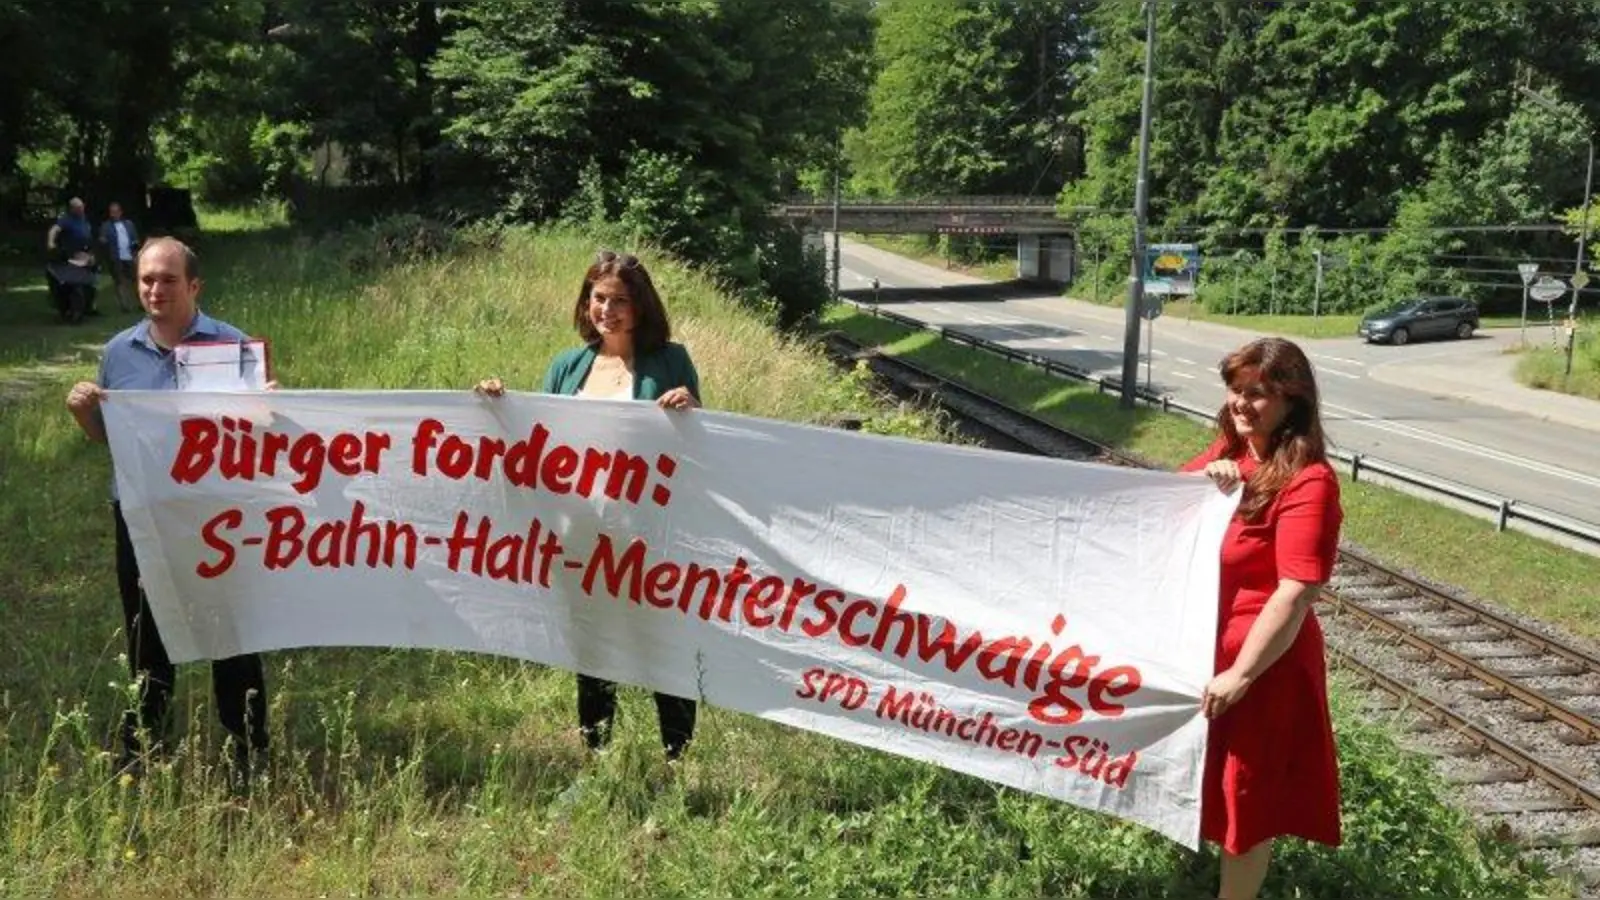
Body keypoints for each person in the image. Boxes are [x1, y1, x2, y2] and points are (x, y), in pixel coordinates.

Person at [476, 250, 700, 760]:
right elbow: (536, 439)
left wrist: (691, 407)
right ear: (586, 303)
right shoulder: (567, 365)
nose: (608, 310)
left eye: (620, 300)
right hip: (579, 535)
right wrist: (497, 404)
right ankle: (596, 758)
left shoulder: (671, 361)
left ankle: (677, 761)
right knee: (593, 648)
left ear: (641, 307)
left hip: (652, 535)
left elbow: (702, 444)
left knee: (661, 643)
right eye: (599, 298)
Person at [65, 237, 271, 792]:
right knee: (145, 634)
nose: (156, 290)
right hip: (142, 516)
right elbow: (112, 440)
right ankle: (142, 749)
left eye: (168, 280)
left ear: (195, 285)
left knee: (232, 631)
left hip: (217, 517)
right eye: (147, 280)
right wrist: (86, 413)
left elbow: (259, 439)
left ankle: (247, 748)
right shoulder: (119, 352)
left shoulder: (232, 348)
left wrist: (271, 410)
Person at [1179, 337, 1343, 900]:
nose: (1242, 404)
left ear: (1292, 402)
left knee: (1244, 797)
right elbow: (1161, 514)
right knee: (1204, 780)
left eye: (1259, 393)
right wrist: (1203, 481)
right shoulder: (1229, 455)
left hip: (1262, 664)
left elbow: (1296, 591)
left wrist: (1242, 674)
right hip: (1206, 648)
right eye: (1235, 391)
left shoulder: (1309, 481)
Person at [98, 201, 140, 311]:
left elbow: (135, 239)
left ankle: (141, 302)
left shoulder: (129, 224)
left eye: (116, 212)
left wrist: (135, 252)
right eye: (112, 212)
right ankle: (125, 305)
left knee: (135, 279)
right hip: (115, 257)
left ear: (120, 212)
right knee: (119, 281)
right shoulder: (106, 226)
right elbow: (102, 239)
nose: (114, 214)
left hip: (129, 256)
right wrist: (103, 241)